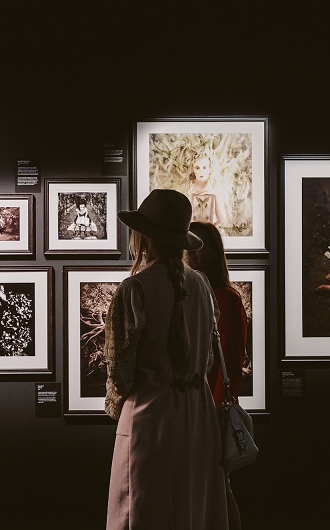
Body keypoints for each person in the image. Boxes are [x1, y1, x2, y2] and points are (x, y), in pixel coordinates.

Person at [104, 189, 228, 529]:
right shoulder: (202, 285)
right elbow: (207, 362)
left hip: (149, 415)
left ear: (144, 236)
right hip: (196, 416)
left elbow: (120, 369)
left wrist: (118, 407)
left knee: (143, 509)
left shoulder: (134, 289)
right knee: (192, 508)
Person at [186, 221, 247, 530]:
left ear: (213, 252)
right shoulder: (185, 294)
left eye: (199, 246)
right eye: (188, 245)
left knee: (219, 487)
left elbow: (232, 363)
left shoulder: (226, 299)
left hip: (210, 408)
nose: (191, 252)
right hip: (188, 408)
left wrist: (216, 407)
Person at [189, 153, 227, 226]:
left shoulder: (215, 190)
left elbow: (222, 219)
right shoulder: (189, 190)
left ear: (209, 169)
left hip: (211, 232)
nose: (201, 171)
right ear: (193, 170)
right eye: (197, 168)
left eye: (204, 167)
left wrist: (215, 196)